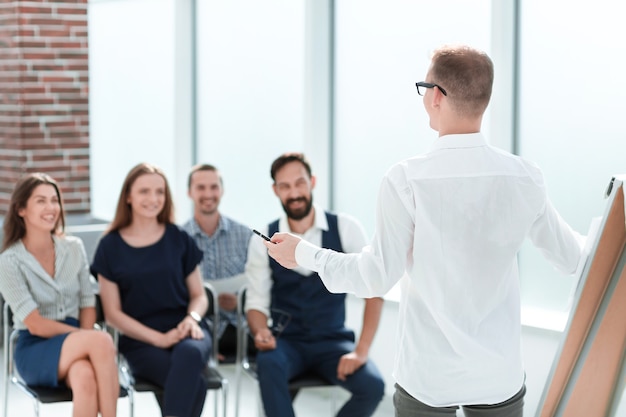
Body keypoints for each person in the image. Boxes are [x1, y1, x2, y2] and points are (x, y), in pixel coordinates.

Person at [264, 45, 586, 417]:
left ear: (436, 96)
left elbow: (375, 278)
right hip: (498, 375)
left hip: (428, 379)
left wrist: (305, 253)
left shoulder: (406, 180)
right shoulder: (525, 177)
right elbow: (573, 257)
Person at [245, 152, 385, 417]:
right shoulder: (261, 241)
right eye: (285, 186)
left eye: (300, 183)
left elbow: (373, 290)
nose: (294, 193)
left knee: (373, 386)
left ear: (313, 182)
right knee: (268, 363)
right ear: (275, 190)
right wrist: (260, 330)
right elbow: (256, 302)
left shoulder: (345, 228)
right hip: (287, 342)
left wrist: (361, 351)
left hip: (332, 343)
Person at [91, 162, 212, 417]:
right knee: (194, 384)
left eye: (160, 192)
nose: (153, 199)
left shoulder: (179, 238)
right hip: (140, 340)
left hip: (185, 330)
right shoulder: (109, 247)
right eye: (144, 191)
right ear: (128, 197)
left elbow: (199, 296)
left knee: (190, 356)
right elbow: (112, 314)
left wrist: (192, 319)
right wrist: (158, 338)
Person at [0, 173, 119, 417]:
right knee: (102, 340)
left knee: (85, 379)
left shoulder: (73, 248)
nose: (51, 207)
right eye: (41, 201)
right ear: (21, 209)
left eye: (54, 200)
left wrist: (85, 339)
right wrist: (87, 338)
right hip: (35, 346)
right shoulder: (8, 261)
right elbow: (36, 325)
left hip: (76, 337)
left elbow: (87, 302)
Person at [182, 163, 252, 360]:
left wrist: (240, 302)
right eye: (201, 188)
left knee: (277, 355)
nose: (208, 193)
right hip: (199, 327)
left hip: (241, 326)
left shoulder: (244, 235)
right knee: (190, 356)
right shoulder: (179, 239)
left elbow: (261, 283)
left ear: (222, 190)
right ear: (189, 193)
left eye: (213, 187)